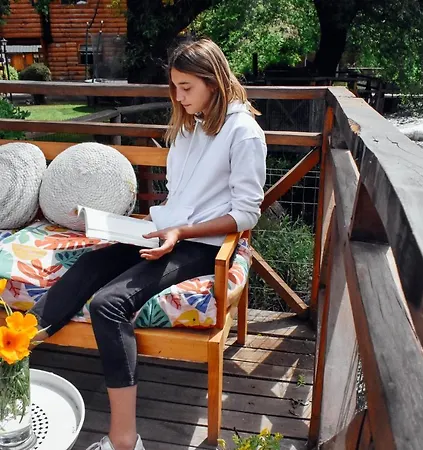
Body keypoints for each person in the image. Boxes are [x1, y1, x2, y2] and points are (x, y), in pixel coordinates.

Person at [30, 38, 267, 450]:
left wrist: (181, 233)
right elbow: (181, 197)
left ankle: (125, 440)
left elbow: (247, 214)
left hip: (202, 245)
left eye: (186, 87)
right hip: (165, 231)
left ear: (213, 81)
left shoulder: (244, 133)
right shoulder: (192, 125)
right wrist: (118, 226)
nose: (179, 96)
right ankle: (15, 349)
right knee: (88, 265)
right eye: (174, 87)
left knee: (109, 304)